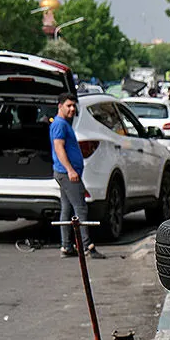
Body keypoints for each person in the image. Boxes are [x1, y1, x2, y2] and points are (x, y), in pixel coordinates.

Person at [50, 93, 105, 259]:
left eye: (74, 106)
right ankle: (87, 246)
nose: (72, 109)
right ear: (60, 106)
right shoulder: (59, 124)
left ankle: (66, 246)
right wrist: (70, 170)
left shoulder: (64, 124)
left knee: (67, 209)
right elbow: (58, 148)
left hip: (66, 172)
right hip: (67, 173)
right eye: (68, 105)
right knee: (80, 207)